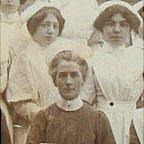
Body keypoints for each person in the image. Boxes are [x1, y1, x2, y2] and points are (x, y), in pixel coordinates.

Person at [81, 1, 143, 144]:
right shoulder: (92, 59)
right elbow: (86, 101)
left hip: (135, 124)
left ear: (130, 29)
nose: (116, 30)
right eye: (110, 24)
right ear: (101, 28)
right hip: (102, 122)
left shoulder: (140, 58)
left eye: (123, 24)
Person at [26, 50, 116, 144]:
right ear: (55, 80)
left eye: (74, 75)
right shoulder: (43, 118)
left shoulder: (97, 119)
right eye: (63, 76)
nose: (68, 82)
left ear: (83, 80)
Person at [6, 2, 65, 144]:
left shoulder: (61, 57)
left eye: (55, 26)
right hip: (31, 128)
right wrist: (48, 117)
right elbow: (19, 102)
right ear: (34, 27)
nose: (50, 31)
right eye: (45, 25)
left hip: (59, 128)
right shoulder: (24, 58)